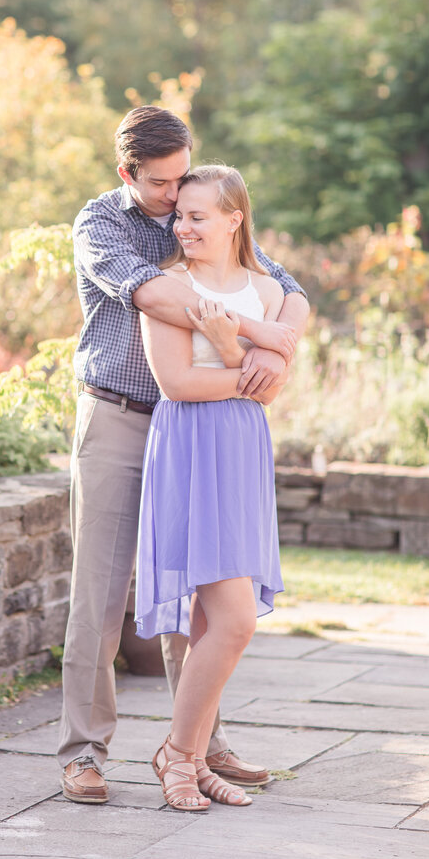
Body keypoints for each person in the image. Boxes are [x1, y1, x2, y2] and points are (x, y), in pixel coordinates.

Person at [58, 107, 309, 805]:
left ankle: (200, 745)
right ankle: (83, 752)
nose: (176, 199)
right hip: (120, 417)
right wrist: (261, 342)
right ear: (127, 174)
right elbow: (162, 296)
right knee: (100, 601)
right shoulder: (102, 224)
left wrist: (277, 351)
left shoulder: (197, 204)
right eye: (163, 185)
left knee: (198, 596)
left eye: (182, 179)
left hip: (196, 430)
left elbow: (284, 284)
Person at [136, 164, 291, 811]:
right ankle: (176, 754)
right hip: (190, 446)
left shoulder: (269, 293)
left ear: (235, 218)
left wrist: (233, 349)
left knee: (210, 622)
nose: (183, 225)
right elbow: (176, 384)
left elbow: (274, 384)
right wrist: (240, 362)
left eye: (198, 216)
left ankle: (192, 760)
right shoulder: (169, 288)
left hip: (241, 454)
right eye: (181, 215)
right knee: (233, 621)